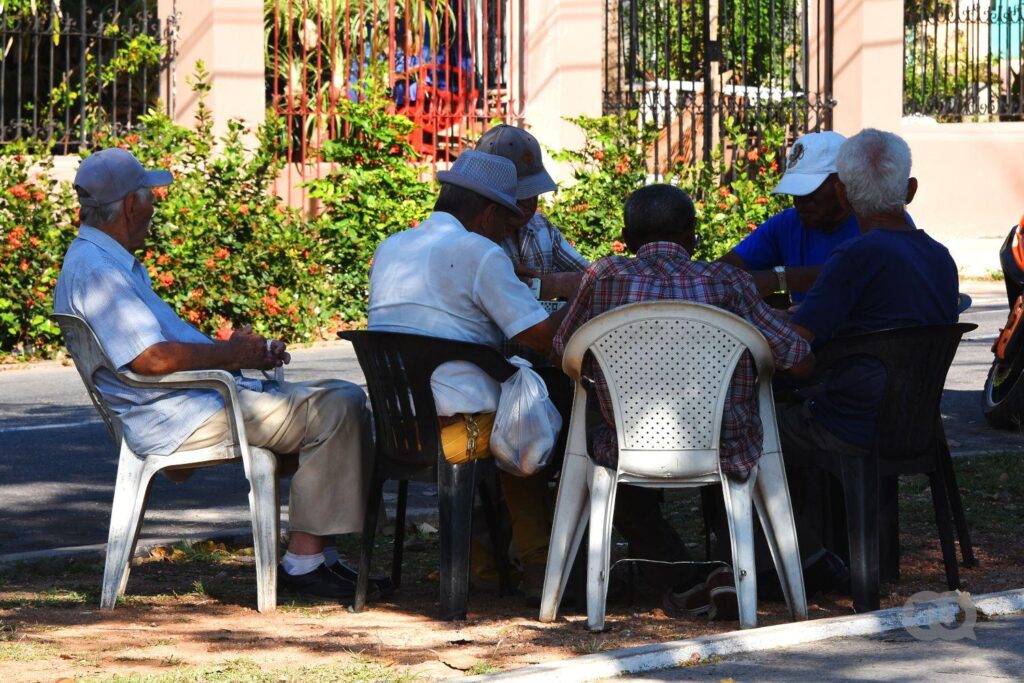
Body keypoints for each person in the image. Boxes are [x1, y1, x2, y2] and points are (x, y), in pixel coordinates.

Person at [53, 148, 375, 604]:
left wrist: (240, 354)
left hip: (184, 404)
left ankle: (316, 558)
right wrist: (229, 354)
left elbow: (158, 349)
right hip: (181, 414)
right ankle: (305, 563)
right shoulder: (99, 270)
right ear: (130, 205)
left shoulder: (99, 259)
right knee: (340, 404)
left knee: (335, 398)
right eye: (150, 198)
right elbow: (151, 359)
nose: (154, 208)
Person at [552, 183, 813, 620]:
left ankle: (686, 577)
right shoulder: (728, 282)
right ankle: (725, 571)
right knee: (750, 428)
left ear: (627, 237)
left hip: (630, 445)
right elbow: (798, 357)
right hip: (725, 445)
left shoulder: (603, 278)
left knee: (595, 451)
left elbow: (565, 349)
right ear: (692, 235)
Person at [367, 149, 569, 599]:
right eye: (507, 219)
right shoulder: (479, 251)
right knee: (532, 426)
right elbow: (539, 337)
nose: (508, 231)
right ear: (488, 213)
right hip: (459, 434)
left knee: (505, 415)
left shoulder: (391, 247)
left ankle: (485, 565)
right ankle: (539, 566)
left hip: (396, 428)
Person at [774, 129, 960, 599]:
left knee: (754, 429)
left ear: (841, 191)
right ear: (910, 190)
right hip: (915, 426)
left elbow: (796, 355)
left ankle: (808, 561)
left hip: (852, 425)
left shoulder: (855, 255)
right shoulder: (942, 258)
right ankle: (815, 557)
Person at [718, 131, 862, 301]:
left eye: (811, 191)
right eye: (795, 190)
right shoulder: (787, 224)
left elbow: (857, 275)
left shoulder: (877, 224)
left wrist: (780, 279)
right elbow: (720, 272)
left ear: (843, 183)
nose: (800, 200)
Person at [476, 124, 589, 299]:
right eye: (519, 195)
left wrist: (552, 284)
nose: (528, 203)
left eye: (533, 192)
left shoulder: (541, 227)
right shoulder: (472, 234)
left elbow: (590, 277)